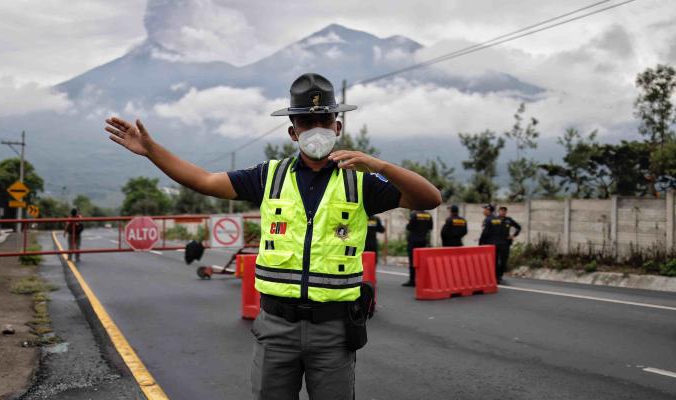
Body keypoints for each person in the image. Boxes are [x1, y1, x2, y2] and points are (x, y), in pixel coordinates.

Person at [103, 72, 441, 400]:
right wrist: (152, 150)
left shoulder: (361, 182)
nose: (316, 129)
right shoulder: (269, 176)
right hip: (276, 327)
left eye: (324, 120)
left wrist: (379, 166)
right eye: (306, 123)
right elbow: (204, 181)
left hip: (334, 330)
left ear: (337, 126)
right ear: (293, 132)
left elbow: (429, 198)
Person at [402, 209, 433, 287]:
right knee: (422, 261)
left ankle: (412, 280)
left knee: (412, 261)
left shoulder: (415, 215)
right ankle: (422, 280)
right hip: (423, 240)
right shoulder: (428, 215)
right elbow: (430, 227)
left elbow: (409, 227)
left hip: (413, 241)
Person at [478, 204, 507, 283]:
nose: (483, 211)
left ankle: (488, 278)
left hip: (489, 244)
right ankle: (497, 277)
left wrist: (480, 243)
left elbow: (485, 233)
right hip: (500, 244)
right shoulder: (498, 219)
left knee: (489, 262)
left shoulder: (487, 220)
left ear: (488, 210)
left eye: (484, 209)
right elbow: (503, 232)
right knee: (495, 261)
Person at [498, 206, 522, 273]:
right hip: (496, 242)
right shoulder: (495, 219)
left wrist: (513, 235)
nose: (503, 212)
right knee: (495, 260)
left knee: (504, 260)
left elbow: (518, 227)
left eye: (504, 211)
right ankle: (495, 274)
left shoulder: (509, 220)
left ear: (506, 212)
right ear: (498, 211)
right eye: (501, 211)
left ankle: (500, 275)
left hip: (505, 242)